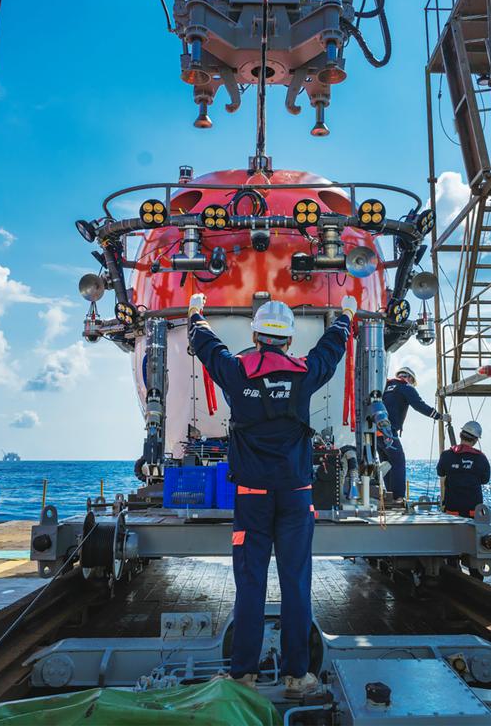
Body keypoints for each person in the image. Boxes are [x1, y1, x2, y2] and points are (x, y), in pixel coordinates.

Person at [188, 292, 354, 698]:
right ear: (289, 340)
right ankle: (298, 676)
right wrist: (345, 315)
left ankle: (243, 674)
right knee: (296, 583)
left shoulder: (235, 371)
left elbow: (205, 344)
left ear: (255, 335)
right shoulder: (305, 373)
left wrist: (196, 312)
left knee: (250, 583)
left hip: (252, 497)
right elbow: (331, 348)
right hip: (297, 496)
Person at [379, 367, 447, 502]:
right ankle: (398, 498)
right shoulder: (405, 387)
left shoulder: (384, 387)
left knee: (386, 463)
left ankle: (389, 497)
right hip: (388, 433)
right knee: (398, 461)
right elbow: (419, 405)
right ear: (409, 378)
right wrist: (440, 416)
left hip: (375, 434)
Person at [437, 421, 491, 518]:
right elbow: (485, 480)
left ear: (460, 435)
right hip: (474, 512)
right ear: (475, 440)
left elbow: (440, 472)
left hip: (452, 512)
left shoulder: (446, 455)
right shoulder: (481, 458)